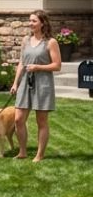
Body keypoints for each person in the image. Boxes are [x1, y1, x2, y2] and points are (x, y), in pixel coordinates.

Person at [9, 9, 59, 162]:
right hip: (25, 83)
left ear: (42, 23)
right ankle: (22, 152)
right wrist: (15, 83)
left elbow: (57, 65)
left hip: (43, 84)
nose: (30, 24)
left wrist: (38, 67)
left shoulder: (50, 42)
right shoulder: (26, 40)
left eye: (34, 21)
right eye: (30, 21)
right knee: (18, 119)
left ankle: (40, 154)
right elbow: (22, 63)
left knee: (41, 121)